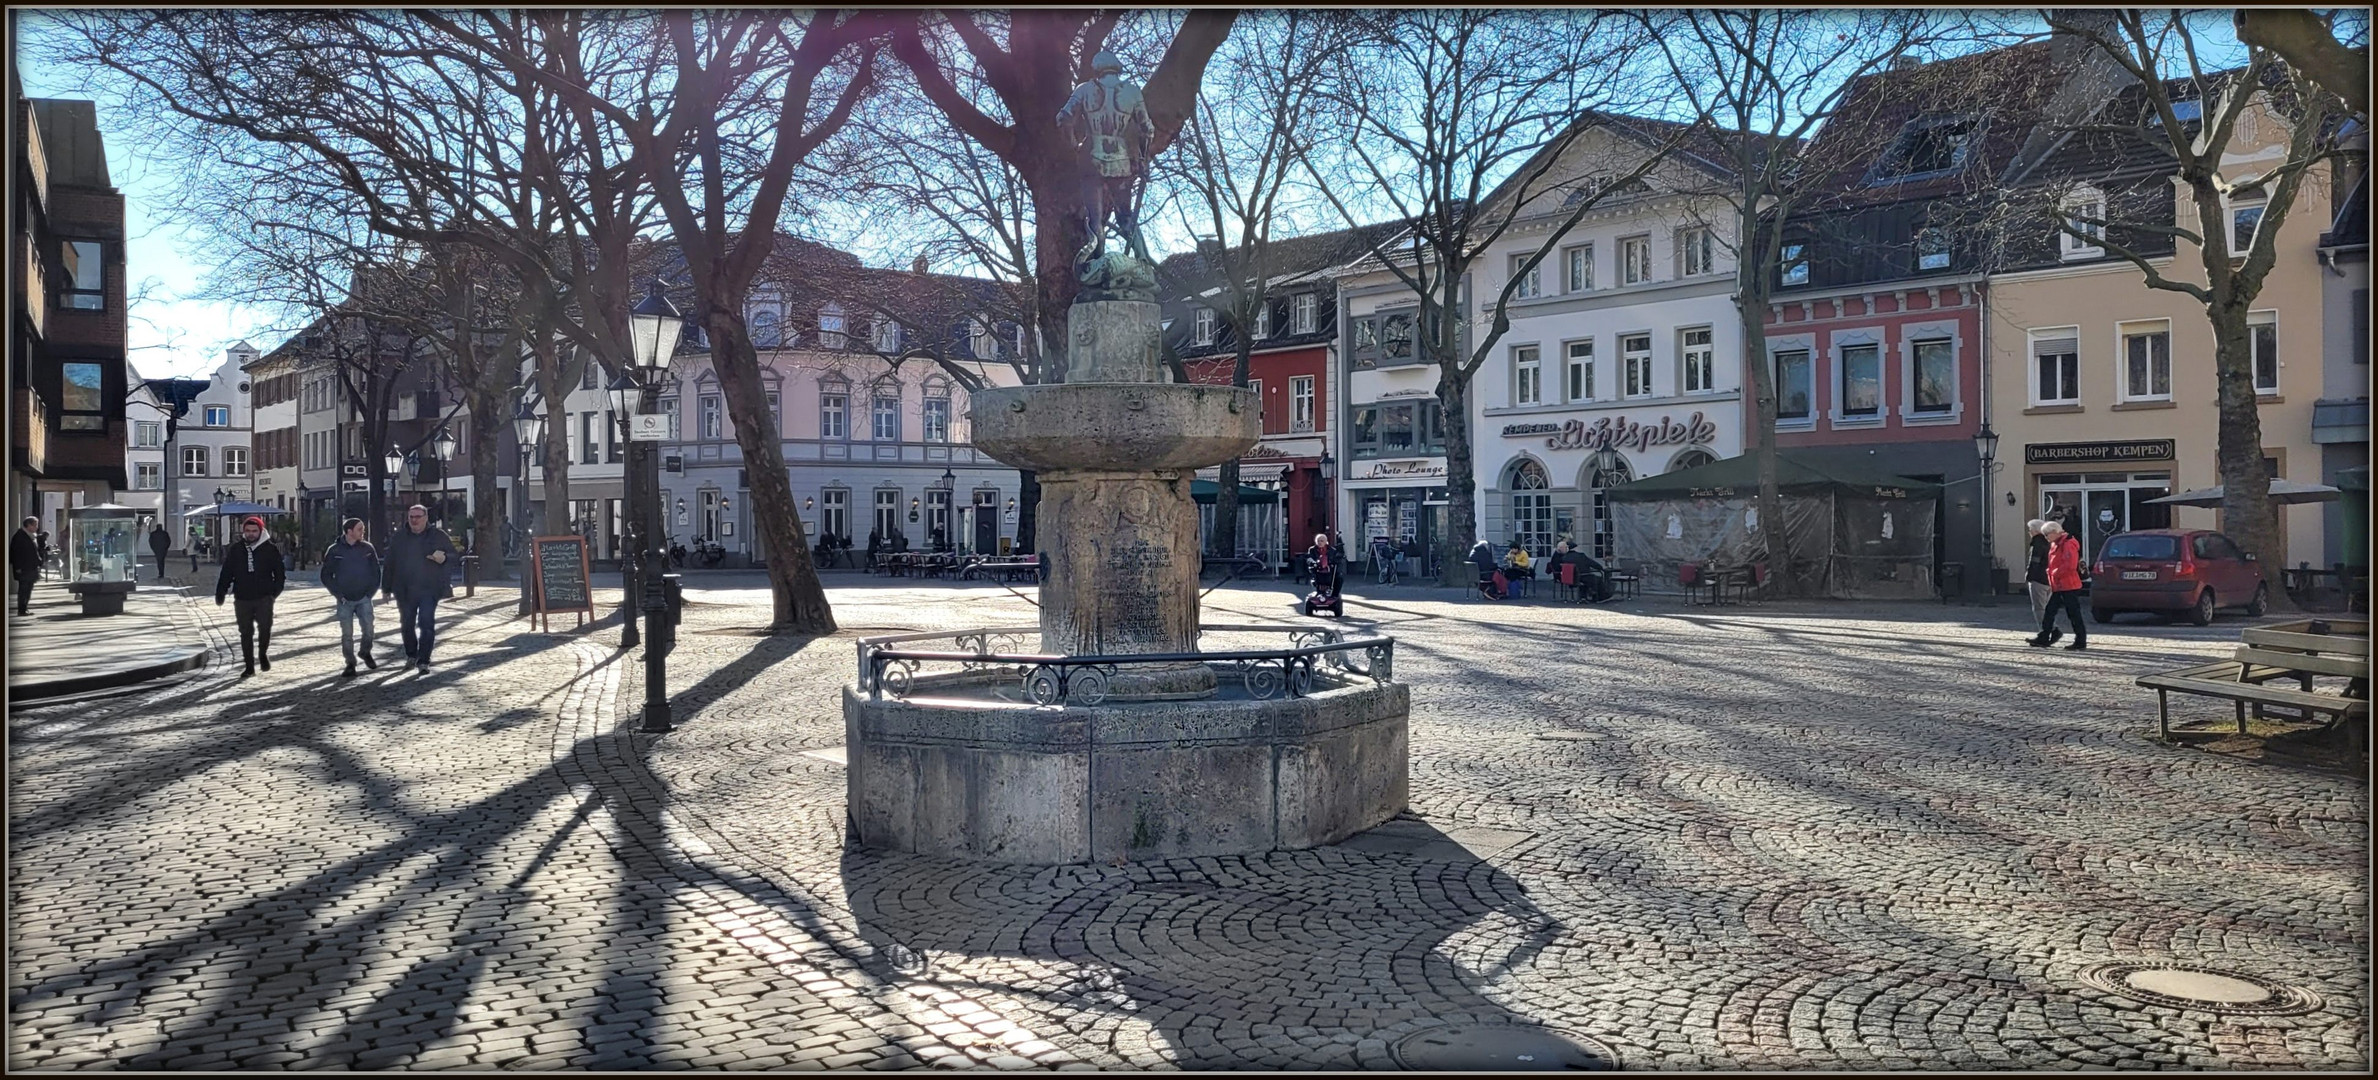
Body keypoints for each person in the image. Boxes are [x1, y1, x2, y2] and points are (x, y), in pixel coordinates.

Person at [383, 504, 458, 673]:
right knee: (407, 624)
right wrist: (386, 588)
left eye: (417, 517)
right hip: (404, 589)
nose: (414, 520)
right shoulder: (400, 537)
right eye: (411, 517)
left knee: (426, 623)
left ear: (425, 518)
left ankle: (424, 660)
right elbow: (390, 563)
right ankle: (411, 654)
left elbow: (455, 556)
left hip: (429, 589)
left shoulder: (438, 536)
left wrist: (444, 558)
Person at [215, 516, 287, 677]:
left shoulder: (270, 549)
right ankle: (249, 665)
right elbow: (227, 572)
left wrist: (274, 592)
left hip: (264, 597)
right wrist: (221, 591)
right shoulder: (236, 549)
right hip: (242, 597)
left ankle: (262, 654)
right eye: (248, 531)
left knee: (265, 629)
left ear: (260, 531)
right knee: (245, 632)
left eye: (254, 531)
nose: (251, 534)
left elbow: (280, 574)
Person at [320, 517, 382, 677]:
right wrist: (338, 595)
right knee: (347, 634)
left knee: (369, 630)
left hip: (364, 597)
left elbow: (376, 572)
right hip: (345, 599)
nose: (363, 532)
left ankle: (365, 651)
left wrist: (370, 593)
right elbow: (326, 575)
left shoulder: (368, 548)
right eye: (360, 529)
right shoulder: (334, 550)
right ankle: (350, 663)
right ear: (349, 531)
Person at [2030, 519, 2087, 651]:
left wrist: (2054, 572)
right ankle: (2044, 637)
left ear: (2054, 532)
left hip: (2069, 586)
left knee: (2073, 614)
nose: (2045, 538)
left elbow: (2070, 565)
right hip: (2058, 585)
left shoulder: (2068, 543)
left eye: (2046, 535)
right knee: (2049, 612)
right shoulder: (2056, 544)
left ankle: (2080, 641)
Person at [2023, 518, 2058, 643]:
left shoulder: (2037, 543)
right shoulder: (2050, 542)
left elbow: (2034, 561)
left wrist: (2029, 576)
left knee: (2039, 608)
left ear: (2035, 530)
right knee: (2046, 607)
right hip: (2049, 578)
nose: (2029, 532)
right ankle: (2051, 630)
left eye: (2030, 529)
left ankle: (2046, 632)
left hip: (2038, 578)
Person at [11, 516, 42, 616]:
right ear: (28, 525)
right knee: (24, 589)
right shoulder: (20, 536)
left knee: (28, 589)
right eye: (35, 525)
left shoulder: (32, 536)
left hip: (31, 567)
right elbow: (15, 553)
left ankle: (24, 608)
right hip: (24, 568)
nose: (37, 527)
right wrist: (18, 567)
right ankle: (22, 609)